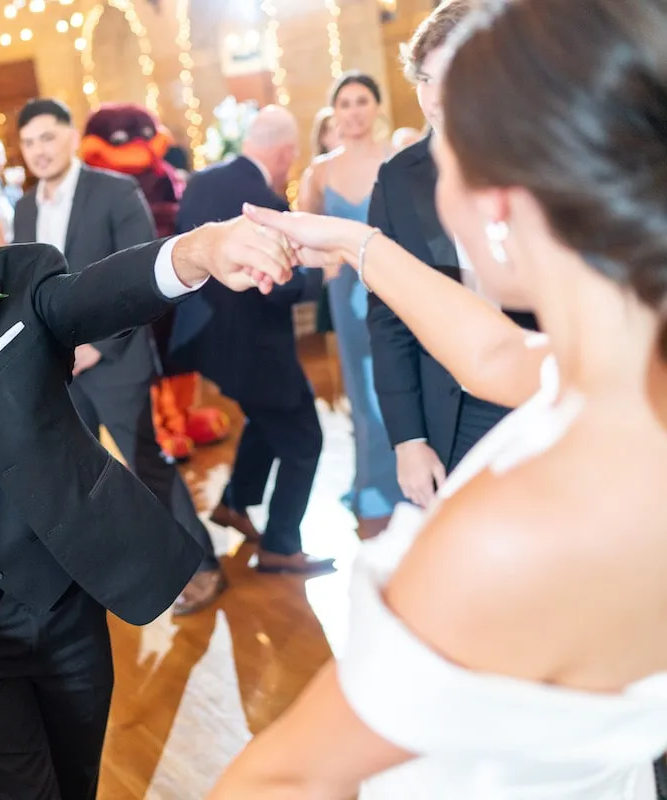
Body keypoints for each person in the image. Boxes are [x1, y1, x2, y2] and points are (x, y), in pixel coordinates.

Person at [208, 0, 667, 796]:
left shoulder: (517, 532)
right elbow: (497, 353)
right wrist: (355, 242)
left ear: (494, 206)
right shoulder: (627, 375)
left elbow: (285, 781)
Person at [0, 129, 288, 799]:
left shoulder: (25, 276)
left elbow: (103, 293)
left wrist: (200, 249)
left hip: (65, 610)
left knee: (75, 785)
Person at [14, 97, 226, 612]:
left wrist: (94, 347)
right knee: (76, 473)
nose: (38, 150)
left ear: (69, 137)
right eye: (28, 142)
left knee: (146, 464)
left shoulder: (114, 191)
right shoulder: (23, 208)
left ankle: (203, 567)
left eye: (47, 137)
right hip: (58, 370)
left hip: (116, 360)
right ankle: (116, 573)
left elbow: (142, 281)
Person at [367, 0, 537, 508]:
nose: (436, 97)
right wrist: (408, 440)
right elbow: (388, 318)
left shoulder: (537, 156)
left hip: (535, 389)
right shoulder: (398, 177)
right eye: (424, 78)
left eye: (455, 75)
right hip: (451, 406)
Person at [173, 106, 332, 574]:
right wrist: (320, 276)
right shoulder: (262, 198)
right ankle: (281, 545)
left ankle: (235, 503)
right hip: (257, 345)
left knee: (267, 421)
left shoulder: (202, 181)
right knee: (305, 439)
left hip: (211, 341)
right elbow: (278, 281)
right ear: (284, 151)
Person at [299, 72, 402, 538]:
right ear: (334, 112)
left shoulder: (398, 160)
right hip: (346, 290)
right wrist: (324, 263)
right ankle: (374, 483)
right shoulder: (320, 171)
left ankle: (412, 471)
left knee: (402, 375)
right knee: (362, 386)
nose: (354, 111)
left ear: (377, 107)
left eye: (362, 101)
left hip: (397, 283)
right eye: (345, 103)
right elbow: (303, 229)